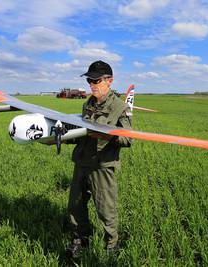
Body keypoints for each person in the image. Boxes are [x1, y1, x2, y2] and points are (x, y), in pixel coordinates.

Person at [65, 60, 132, 259]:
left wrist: (107, 135)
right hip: (82, 162)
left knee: (105, 208)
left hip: (102, 165)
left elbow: (128, 138)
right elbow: (82, 131)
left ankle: (112, 246)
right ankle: (80, 239)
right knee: (75, 205)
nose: (92, 85)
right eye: (89, 81)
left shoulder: (120, 108)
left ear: (109, 81)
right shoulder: (88, 104)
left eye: (96, 80)